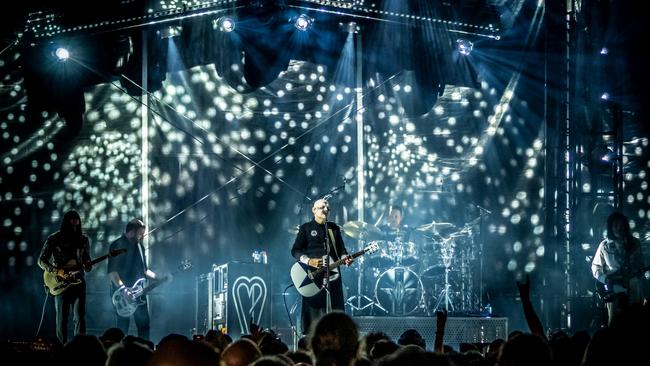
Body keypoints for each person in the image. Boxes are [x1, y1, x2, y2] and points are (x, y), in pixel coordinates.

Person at [291, 198, 354, 334]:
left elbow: (341, 250)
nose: (326, 210)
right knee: (313, 314)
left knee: (336, 313)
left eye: (328, 208)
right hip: (313, 276)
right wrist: (308, 261)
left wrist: (345, 258)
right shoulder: (306, 228)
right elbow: (295, 250)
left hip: (333, 274)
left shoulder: (334, 228)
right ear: (314, 210)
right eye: (322, 207)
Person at [38, 209, 92, 344]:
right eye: (71, 221)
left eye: (77, 221)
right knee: (62, 319)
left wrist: (88, 265)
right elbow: (41, 260)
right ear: (66, 223)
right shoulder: (54, 238)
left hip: (78, 282)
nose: (74, 224)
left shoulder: (84, 240)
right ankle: (62, 350)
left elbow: (87, 260)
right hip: (60, 283)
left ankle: (80, 348)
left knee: (79, 317)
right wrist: (57, 271)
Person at [591, 211, 648, 325]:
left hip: (633, 289)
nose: (619, 228)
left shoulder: (634, 243)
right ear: (611, 227)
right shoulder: (604, 245)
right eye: (616, 226)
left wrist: (639, 271)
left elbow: (640, 263)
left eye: (621, 225)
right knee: (615, 323)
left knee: (635, 321)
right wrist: (605, 279)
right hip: (614, 289)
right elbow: (595, 266)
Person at [107, 218, 159, 340]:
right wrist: (123, 289)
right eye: (140, 234)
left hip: (139, 293)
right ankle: (119, 352)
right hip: (121, 294)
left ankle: (145, 351)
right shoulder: (117, 245)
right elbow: (112, 271)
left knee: (144, 325)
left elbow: (145, 271)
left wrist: (159, 278)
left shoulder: (140, 247)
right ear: (131, 231)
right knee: (122, 327)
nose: (141, 236)